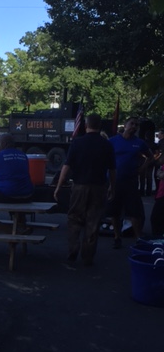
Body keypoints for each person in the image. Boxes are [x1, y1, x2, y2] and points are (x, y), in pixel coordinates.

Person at [54, 114, 116, 266]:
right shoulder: (106, 144)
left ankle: (73, 249)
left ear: (86, 125)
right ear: (100, 125)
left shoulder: (77, 142)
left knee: (75, 218)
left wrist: (59, 186)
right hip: (99, 187)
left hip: (79, 186)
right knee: (93, 221)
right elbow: (113, 169)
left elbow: (67, 166)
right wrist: (112, 187)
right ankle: (88, 256)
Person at [108, 116, 154, 247]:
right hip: (115, 181)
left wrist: (142, 168)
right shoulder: (112, 141)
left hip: (131, 181)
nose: (134, 126)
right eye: (132, 124)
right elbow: (105, 158)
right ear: (125, 125)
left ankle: (138, 237)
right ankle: (117, 237)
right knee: (114, 211)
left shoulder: (139, 143)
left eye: (136, 125)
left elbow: (150, 157)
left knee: (135, 211)